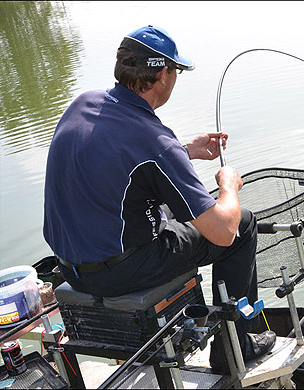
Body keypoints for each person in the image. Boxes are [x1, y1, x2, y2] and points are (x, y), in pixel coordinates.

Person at [42, 25, 275, 372]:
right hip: (120, 270)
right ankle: (233, 347)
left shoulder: (83, 103)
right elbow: (223, 232)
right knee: (242, 224)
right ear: (164, 74)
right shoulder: (156, 141)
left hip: (68, 268)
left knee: (182, 212)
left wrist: (186, 152)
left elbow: (117, 160)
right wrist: (229, 185)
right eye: (176, 72)